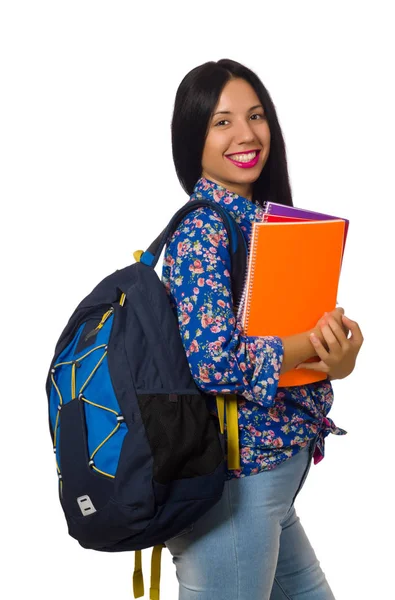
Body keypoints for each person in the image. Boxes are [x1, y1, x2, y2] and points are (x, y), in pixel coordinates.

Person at [161, 58, 364, 600]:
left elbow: (288, 349)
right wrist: (306, 346)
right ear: (192, 139)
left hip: (268, 485)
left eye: (256, 115)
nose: (246, 134)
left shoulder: (270, 226)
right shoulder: (203, 229)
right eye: (222, 122)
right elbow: (214, 363)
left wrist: (337, 356)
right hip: (234, 485)